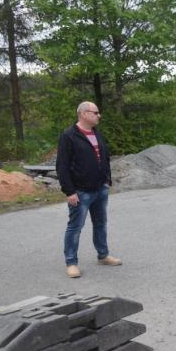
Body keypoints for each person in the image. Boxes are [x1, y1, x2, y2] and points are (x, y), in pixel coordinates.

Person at [56, 101, 122, 278]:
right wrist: (69, 191)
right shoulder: (69, 136)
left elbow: (105, 157)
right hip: (81, 192)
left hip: (100, 189)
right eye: (95, 112)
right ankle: (71, 263)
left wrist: (107, 180)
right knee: (75, 227)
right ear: (83, 114)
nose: (99, 115)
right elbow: (62, 166)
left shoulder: (97, 133)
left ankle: (103, 255)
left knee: (100, 224)